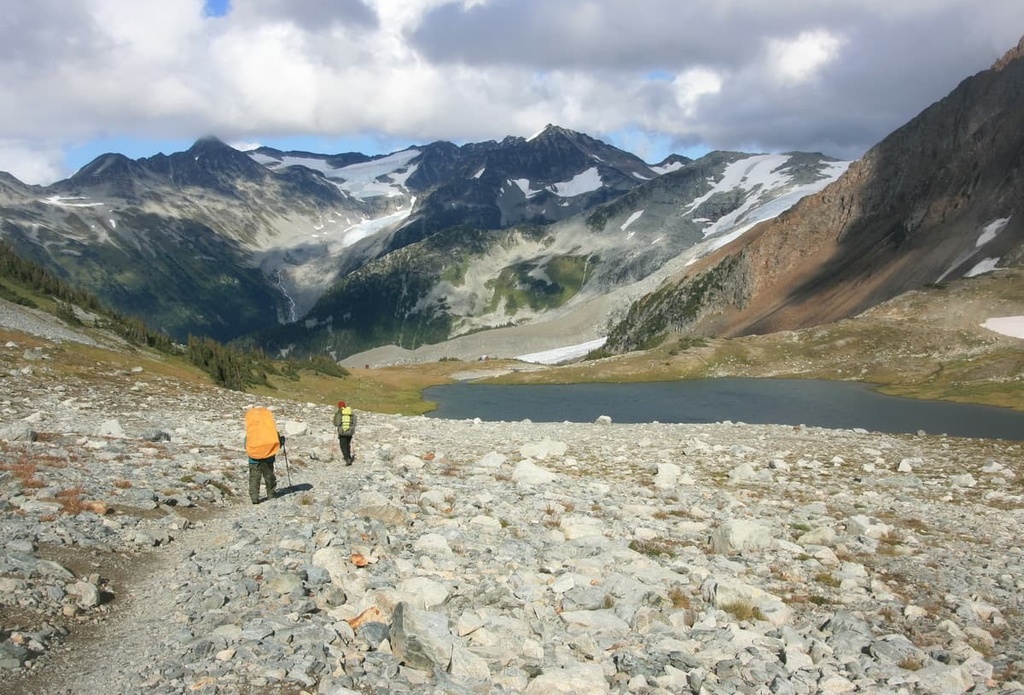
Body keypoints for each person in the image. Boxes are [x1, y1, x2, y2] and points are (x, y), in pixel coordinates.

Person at [245, 406, 284, 504]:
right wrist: (282, 441)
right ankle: (271, 494)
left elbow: (246, 444)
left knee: (254, 477)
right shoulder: (270, 431)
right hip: (268, 457)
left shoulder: (252, 431)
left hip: (253, 458)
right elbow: (277, 442)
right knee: (269, 476)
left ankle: (254, 497)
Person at [333, 400, 356, 465]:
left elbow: (337, 423)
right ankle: (348, 456)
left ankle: (347, 459)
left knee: (343, 445)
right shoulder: (350, 412)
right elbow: (354, 422)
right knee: (348, 444)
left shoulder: (339, 412)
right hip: (350, 431)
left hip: (342, 432)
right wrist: (352, 428)